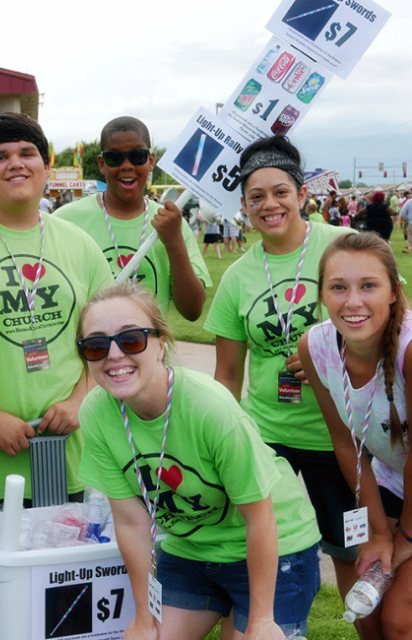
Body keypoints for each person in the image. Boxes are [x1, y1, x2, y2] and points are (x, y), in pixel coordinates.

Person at [0, 112, 114, 640]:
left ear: (48, 164)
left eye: (27, 152)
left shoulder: (76, 243)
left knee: (64, 589)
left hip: (69, 452)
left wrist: (81, 398)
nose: (16, 164)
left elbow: (106, 338)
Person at [76, 283, 321, 640]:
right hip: (190, 548)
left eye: (131, 339)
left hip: (276, 542)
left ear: (161, 344)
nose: (113, 355)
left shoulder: (210, 408)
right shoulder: (97, 413)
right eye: (96, 345)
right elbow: (131, 521)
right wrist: (143, 617)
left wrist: (262, 620)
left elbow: (261, 518)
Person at [202, 135, 368, 632]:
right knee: (255, 544)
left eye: (280, 192)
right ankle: (261, 625)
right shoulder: (237, 276)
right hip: (266, 436)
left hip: (335, 435)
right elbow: (228, 374)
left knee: (351, 553)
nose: (269, 205)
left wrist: (330, 353)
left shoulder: (342, 246)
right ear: (244, 206)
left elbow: (385, 327)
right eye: (256, 197)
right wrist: (219, 440)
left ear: (300, 194)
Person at [299, 233, 412, 639]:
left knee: (401, 619)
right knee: (367, 610)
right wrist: (379, 532)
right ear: (323, 295)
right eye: (338, 287)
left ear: (394, 293)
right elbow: (345, 442)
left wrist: (405, 538)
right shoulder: (315, 346)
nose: (353, 301)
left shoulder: (409, 350)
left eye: (369, 285)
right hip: (391, 482)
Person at [54, 116, 210, 321]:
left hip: (150, 351)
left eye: (137, 156)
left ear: (151, 161)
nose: (127, 165)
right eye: (114, 158)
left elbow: (193, 310)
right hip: (89, 350)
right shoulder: (65, 221)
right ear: (102, 164)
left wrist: (174, 242)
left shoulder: (170, 222)